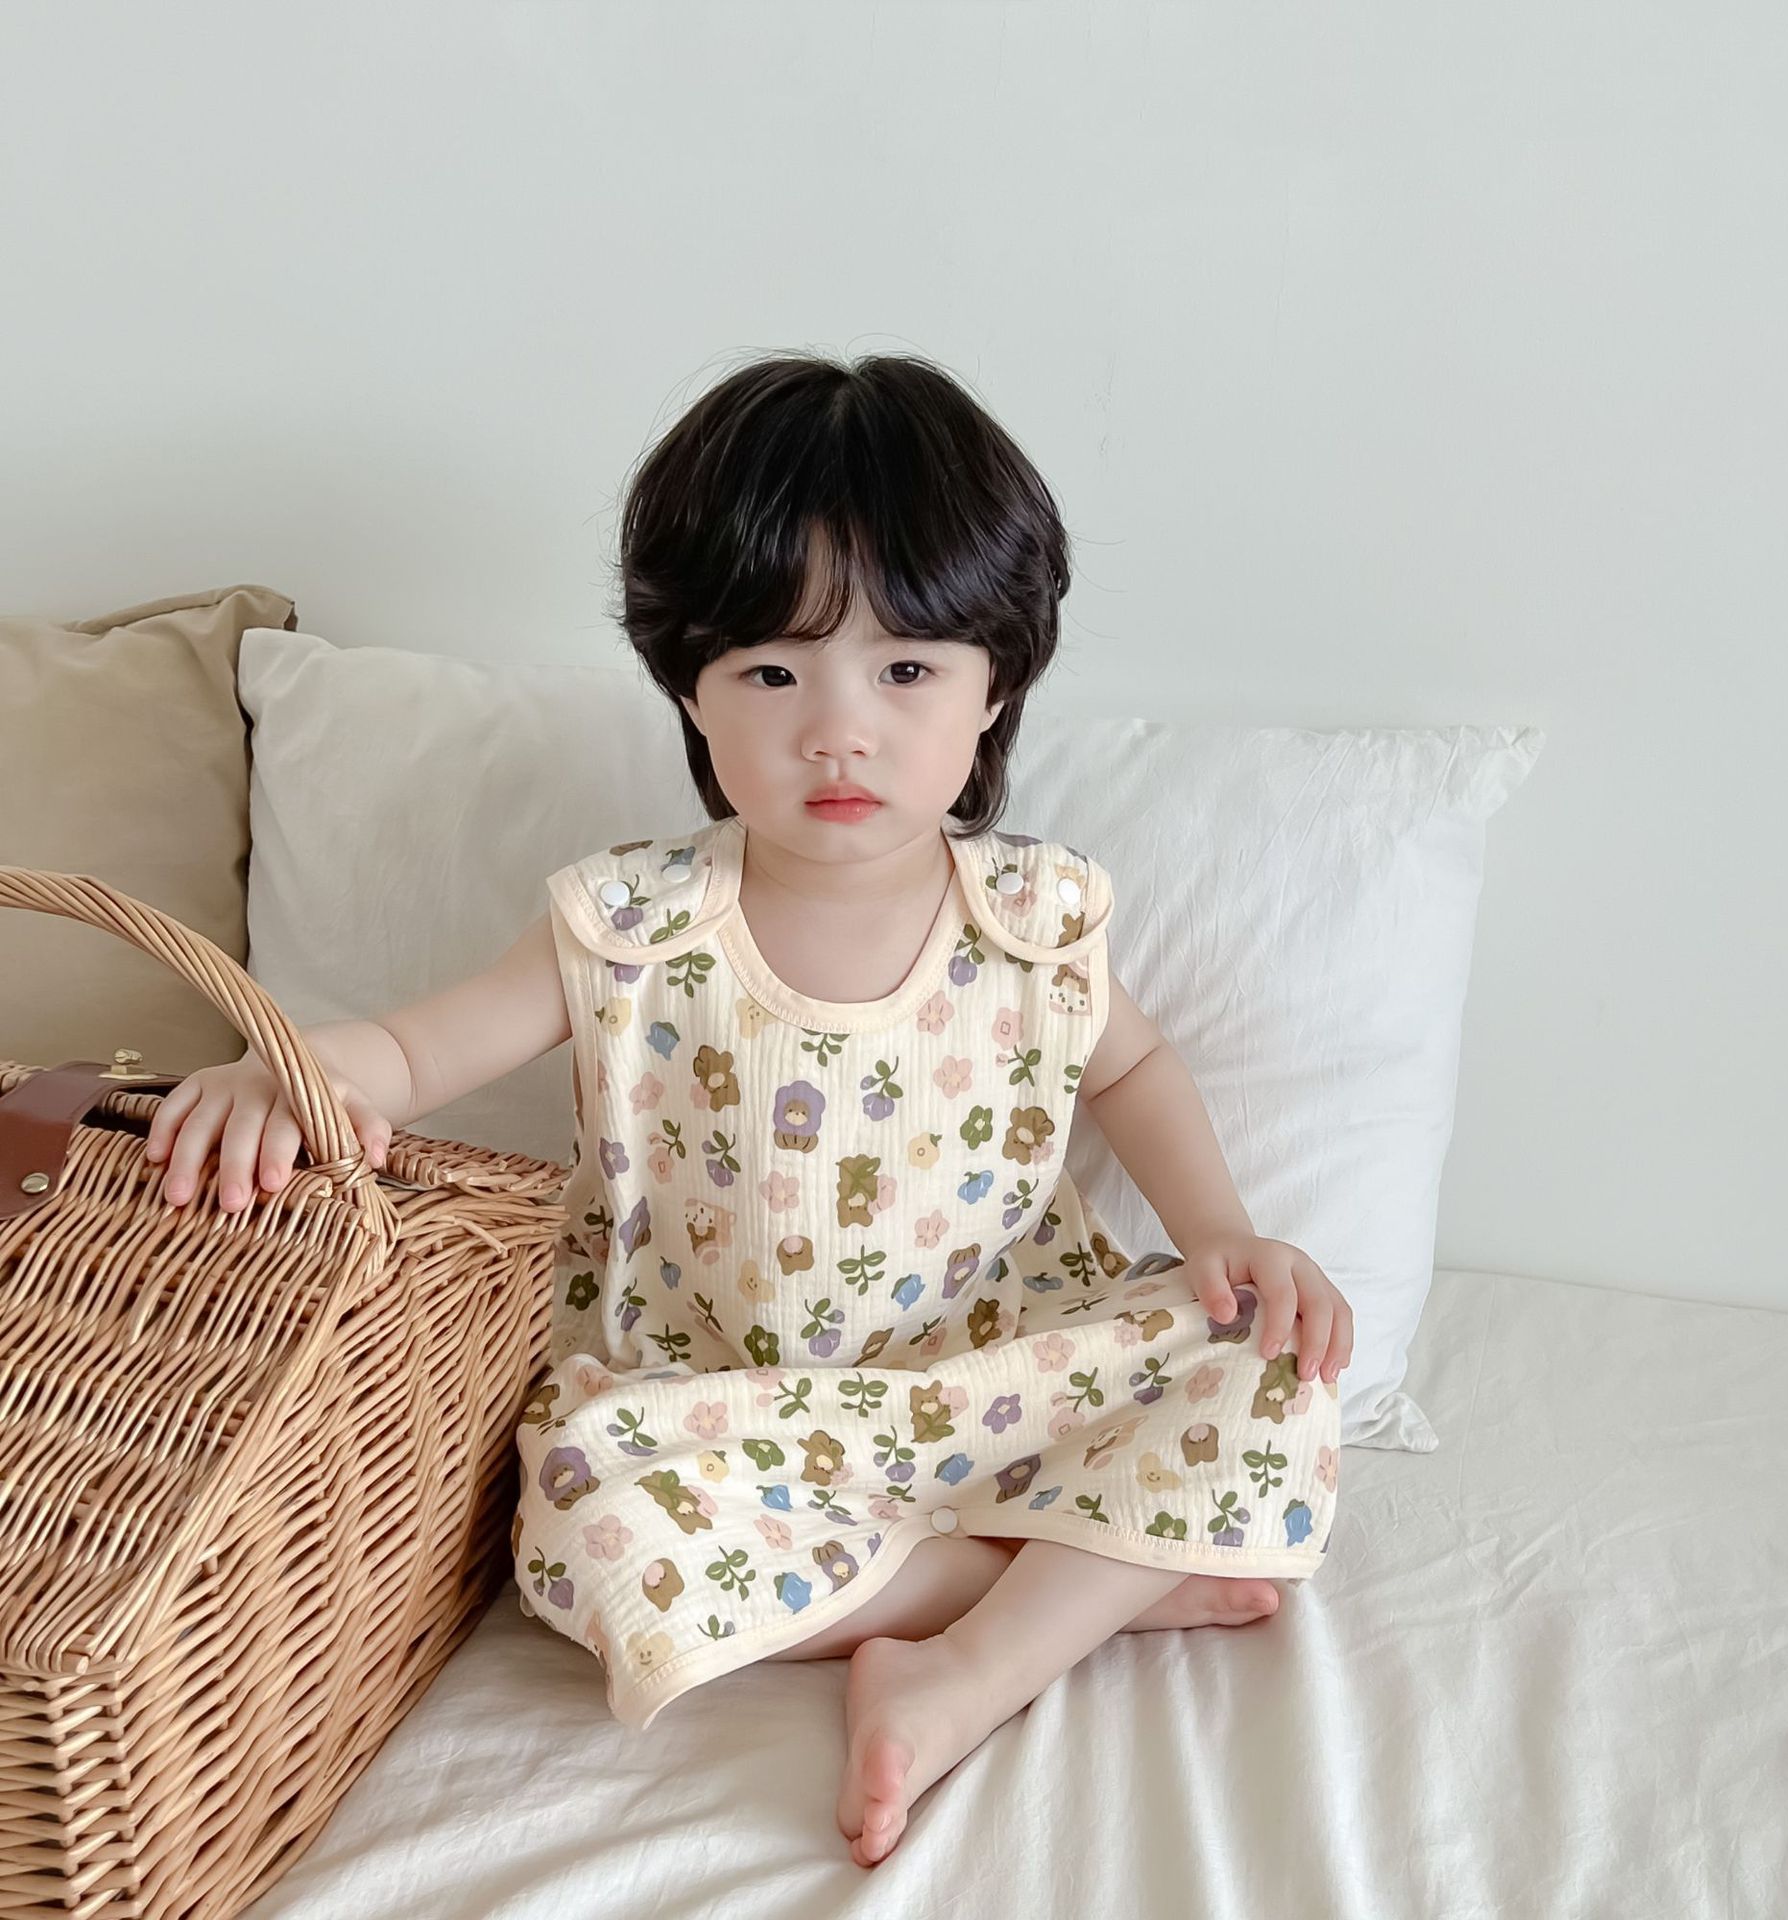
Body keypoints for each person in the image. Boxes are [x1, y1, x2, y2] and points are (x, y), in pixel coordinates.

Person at [142, 350, 1354, 1869]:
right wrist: (283, 1070)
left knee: (1271, 1365)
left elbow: (1132, 1071)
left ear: (995, 686)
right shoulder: (633, 925)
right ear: (691, 690)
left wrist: (1224, 1232)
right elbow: (408, 1047)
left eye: (905, 671)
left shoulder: (1037, 919)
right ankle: (1080, 1582)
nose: (838, 730)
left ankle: (967, 1665)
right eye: (774, 673)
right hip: (733, 1411)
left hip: (1005, 1375)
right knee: (581, 1522)